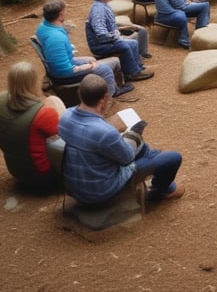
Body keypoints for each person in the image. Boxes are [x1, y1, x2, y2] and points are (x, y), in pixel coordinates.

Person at [57, 74, 184, 204]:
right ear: (103, 100)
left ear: (80, 94)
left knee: (143, 149)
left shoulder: (65, 117)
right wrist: (133, 135)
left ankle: (151, 156)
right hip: (101, 193)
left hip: (75, 187)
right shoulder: (105, 132)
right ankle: (163, 189)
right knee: (172, 158)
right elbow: (127, 159)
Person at [36, 0, 133, 98]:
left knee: (105, 61)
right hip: (64, 75)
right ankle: (111, 96)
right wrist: (87, 67)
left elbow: (61, 60)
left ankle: (115, 86)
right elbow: (65, 70)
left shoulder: (44, 26)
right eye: (64, 11)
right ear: (60, 14)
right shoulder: (56, 38)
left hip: (64, 65)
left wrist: (83, 59)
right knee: (105, 70)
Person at [0, 62, 66, 192]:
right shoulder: (42, 113)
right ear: (32, 83)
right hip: (43, 177)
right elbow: (65, 135)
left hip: (15, 170)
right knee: (56, 102)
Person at [85, 0, 154, 82]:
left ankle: (137, 69)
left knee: (133, 43)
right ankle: (131, 74)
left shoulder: (103, 6)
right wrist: (117, 37)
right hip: (101, 45)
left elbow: (110, 27)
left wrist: (125, 28)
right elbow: (101, 34)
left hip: (108, 40)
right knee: (124, 46)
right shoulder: (98, 10)